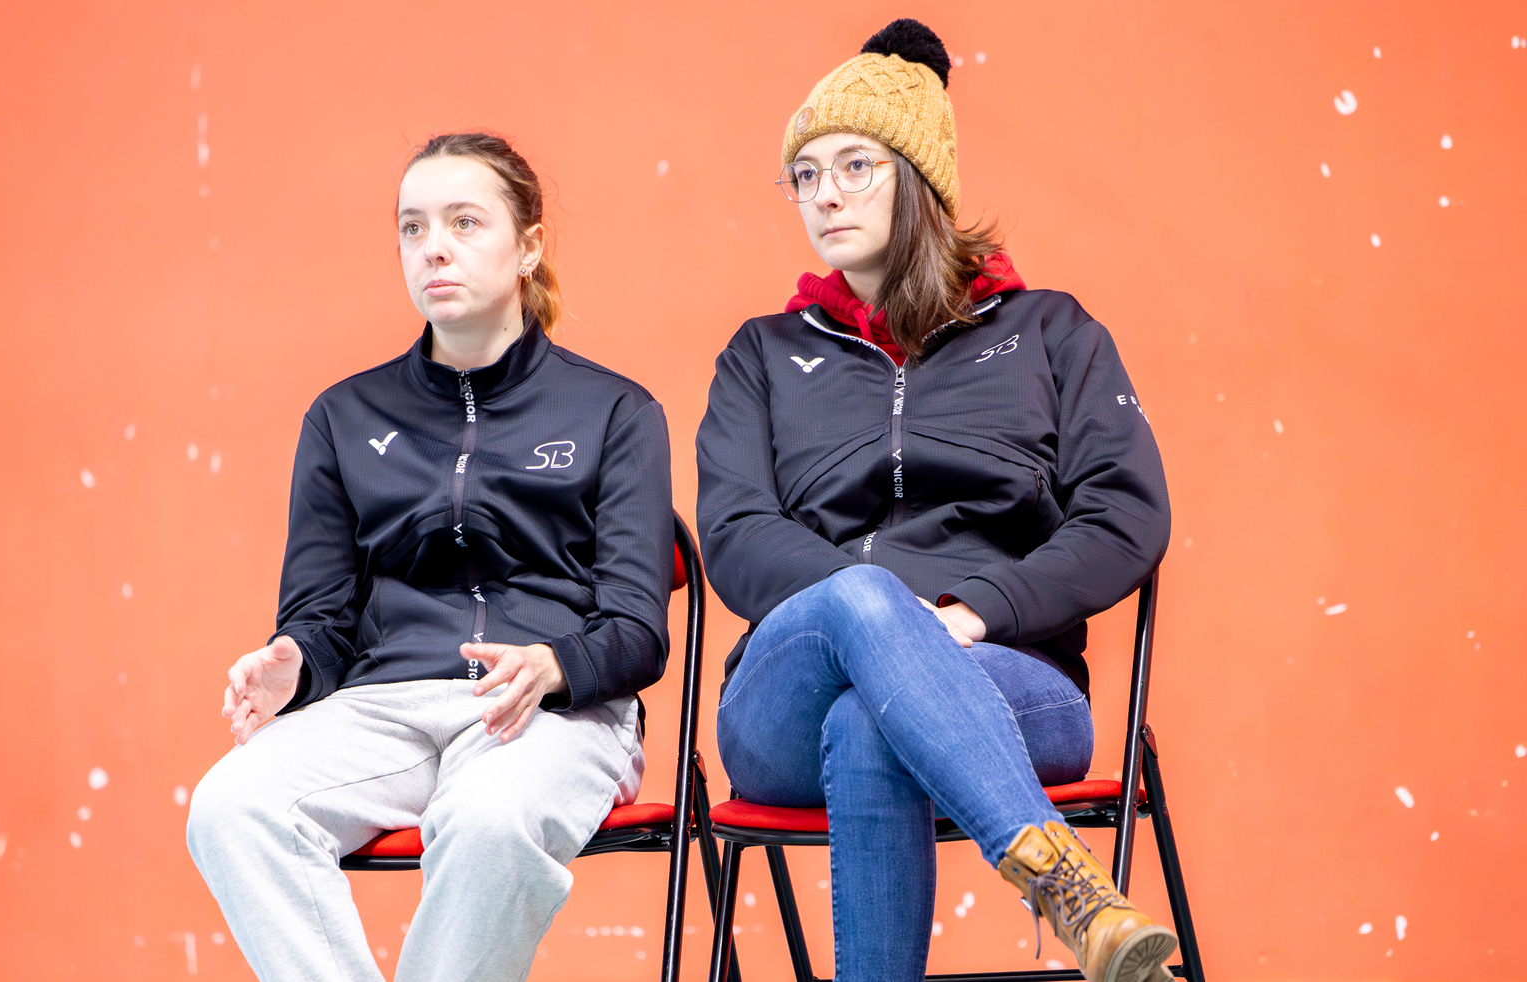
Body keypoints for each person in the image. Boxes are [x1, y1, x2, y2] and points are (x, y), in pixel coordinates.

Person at [696, 20, 1177, 982]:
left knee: (871, 721)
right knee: (861, 603)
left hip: (1014, 678)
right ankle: (1072, 893)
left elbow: (1127, 514)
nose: (824, 194)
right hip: (785, 701)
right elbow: (737, 535)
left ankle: (1059, 892)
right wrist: (885, 613)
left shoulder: (1051, 332)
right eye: (804, 175)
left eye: (855, 166)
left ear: (921, 177)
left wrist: (976, 611)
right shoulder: (761, 355)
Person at [186, 132, 673, 982]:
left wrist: (555, 664)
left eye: (464, 222)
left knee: (488, 818)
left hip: (552, 711)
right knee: (231, 805)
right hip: (386, 708)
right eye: (413, 227)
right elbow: (321, 618)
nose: (433, 247)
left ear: (529, 246)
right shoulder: (343, 417)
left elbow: (638, 629)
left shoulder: (615, 412)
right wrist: (292, 663)